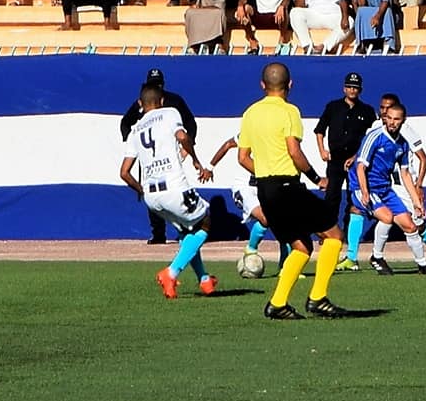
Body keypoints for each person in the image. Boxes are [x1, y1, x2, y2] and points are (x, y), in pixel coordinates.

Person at [238, 62, 349, 320]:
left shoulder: (250, 113)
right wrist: (316, 178)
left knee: (301, 246)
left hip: (265, 190)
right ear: (290, 84)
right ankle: (318, 298)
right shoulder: (289, 111)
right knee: (333, 235)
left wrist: (265, 173)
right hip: (287, 186)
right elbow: (293, 151)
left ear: (262, 85)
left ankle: (277, 304)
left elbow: (242, 158)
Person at [119, 82, 218, 299]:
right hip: (174, 187)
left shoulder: (136, 129)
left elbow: (124, 172)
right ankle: (171, 273)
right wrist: (195, 159)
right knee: (205, 222)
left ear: (140, 104)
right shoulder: (169, 113)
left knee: (187, 233)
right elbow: (182, 137)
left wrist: (142, 191)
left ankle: (204, 280)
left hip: (152, 197)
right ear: (162, 101)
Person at [347, 102, 426, 275]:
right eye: (389, 118)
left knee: (410, 226)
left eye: (397, 119)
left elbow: (405, 174)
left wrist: (417, 203)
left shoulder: (402, 144)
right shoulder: (375, 136)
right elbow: (360, 167)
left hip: (385, 189)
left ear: (403, 120)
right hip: (365, 187)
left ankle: (423, 265)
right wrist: (365, 192)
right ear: (385, 118)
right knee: (386, 217)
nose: (392, 123)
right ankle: (376, 257)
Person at [120, 68, 198, 245]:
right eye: (153, 84)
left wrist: (188, 148)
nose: (157, 87)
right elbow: (125, 123)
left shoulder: (174, 102)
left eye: (159, 84)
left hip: (170, 151)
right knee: (153, 188)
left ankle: (184, 228)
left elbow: (190, 124)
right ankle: (158, 233)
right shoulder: (143, 103)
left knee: (175, 187)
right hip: (149, 157)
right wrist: (133, 144)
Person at [208, 134, 290, 269]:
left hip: (264, 186)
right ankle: (251, 249)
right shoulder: (251, 132)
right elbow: (228, 144)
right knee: (265, 218)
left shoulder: (279, 139)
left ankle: (285, 267)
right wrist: (210, 167)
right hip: (244, 187)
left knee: (284, 223)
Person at [314, 71, 376, 227]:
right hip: (335, 159)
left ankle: (349, 232)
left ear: (360, 90)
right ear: (344, 89)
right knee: (332, 196)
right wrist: (322, 150)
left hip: (356, 160)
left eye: (355, 87)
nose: (352, 90)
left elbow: (372, 138)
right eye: (349, 87)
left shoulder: (367, 111)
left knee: (353, 197)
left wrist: (356, 156)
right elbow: (320, 130)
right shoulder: (333, 107)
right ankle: (330, 230)